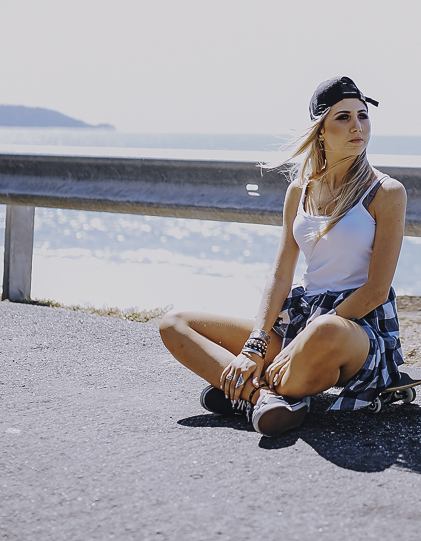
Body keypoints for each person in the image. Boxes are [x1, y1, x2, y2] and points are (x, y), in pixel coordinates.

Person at [159, 76, 408, 437]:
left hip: (353, 327)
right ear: (320, 131)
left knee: (322, 329)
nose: (358, 126)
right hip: (299, 320)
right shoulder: (299, 190)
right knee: (174, 323)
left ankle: (244, 392)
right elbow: (281, 275)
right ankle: (264, 396)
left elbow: (376, 289)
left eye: (363, 116)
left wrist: (306, 339)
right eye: (343, 117)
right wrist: (256, 345)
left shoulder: (385, 192)